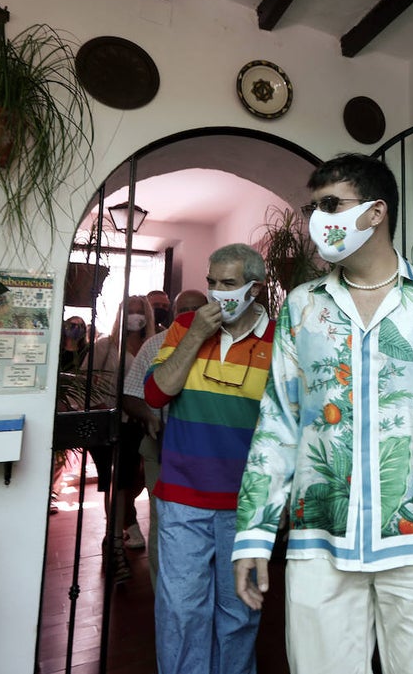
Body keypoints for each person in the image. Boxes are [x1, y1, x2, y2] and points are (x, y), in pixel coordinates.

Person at [232, 154, 413, 674]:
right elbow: (278, 424)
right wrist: (255, 532)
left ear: (377, 212)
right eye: (314, 207)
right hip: (321, 547)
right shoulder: (302, 306)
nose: (317, 220)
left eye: (331, 204)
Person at [144, 244, 274, 674]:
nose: (218, 293)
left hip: (245, 504)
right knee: (181, 612)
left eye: (229, 284)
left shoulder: (280, 340)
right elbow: (156, 392)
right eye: (212, 283)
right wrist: (197, 335)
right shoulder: (184, 326)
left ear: (255, 288)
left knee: (239, 614)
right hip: (182, 497)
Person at [121, 288, 208, 584]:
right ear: (173, 314)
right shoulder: (155, 345)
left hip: (208, 453)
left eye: (198, 308)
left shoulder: (222, 346)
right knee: (165, 522)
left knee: (204, 523)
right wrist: (149, 417)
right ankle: (164, 592)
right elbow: (130, 396)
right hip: (162, 448)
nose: (190, 315)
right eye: (184, 310)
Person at [85, 294, 158, 580]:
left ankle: (126, 523)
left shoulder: (156, 343)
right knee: (118, 482)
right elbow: (85, 385)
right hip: (116, 423)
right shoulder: (104, 347)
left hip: (148, 421)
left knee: (139, 479)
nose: (136, 316)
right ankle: (114, 541)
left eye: (141, 312)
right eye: (131, 310)